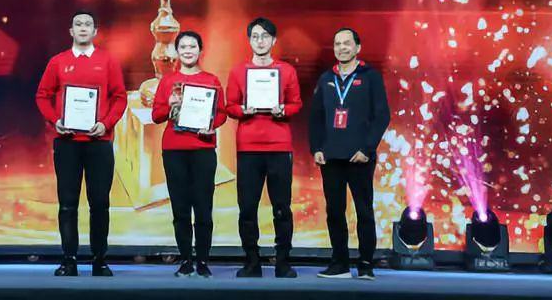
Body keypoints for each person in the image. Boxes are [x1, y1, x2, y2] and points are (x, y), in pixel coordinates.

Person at [36, 11, 127, 277]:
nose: (83, 28)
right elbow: (42, 95)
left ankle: (100, 260)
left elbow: (120, 97)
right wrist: (55, 121)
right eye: (78, 24)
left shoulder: (108, 61)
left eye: (88, 24)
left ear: (95, 31)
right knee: (67, 204)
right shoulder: (58, 62)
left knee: (99, 204)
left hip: (99, 142)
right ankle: (69, 260)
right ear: (71, 31)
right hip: (67, 143)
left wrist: (106, 123)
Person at [309, 27, 390, 280]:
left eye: (346, 43)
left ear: (357, 48)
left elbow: (382, 116)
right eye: (337, 44)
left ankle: (365, 264)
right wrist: (317, 148)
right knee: (334, 212)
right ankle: (340, 264)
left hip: (360, 157)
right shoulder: (326, 79)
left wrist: (367, 149)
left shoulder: (370, 77)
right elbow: (315, 117)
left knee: (364, 212)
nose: (341, 48)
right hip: (331, 157)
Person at [226, 18, 302, 278]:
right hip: (248, 148)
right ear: (249, 40)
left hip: (279, 146)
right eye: (255, 36)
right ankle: (252, 262)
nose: (260, 41)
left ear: (274, 40)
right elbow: (230, 106)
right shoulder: (238, 71)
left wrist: (284, 110)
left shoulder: (286, 71)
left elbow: (296, 104)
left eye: (265, 36)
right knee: (247, 208)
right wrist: (242, 110)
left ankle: (283, 262)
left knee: (282, 208)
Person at [152, 31, 227, 278]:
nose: (187, 51)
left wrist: (212, 125)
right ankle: (185, 260)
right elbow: (156, 116)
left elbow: (221, 112)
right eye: (183, 46)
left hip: (203, 149)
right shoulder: (168, 81)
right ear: (177, 51)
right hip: (174, 150)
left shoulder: (211, 80)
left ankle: (203, 261)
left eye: (192, 46)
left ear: (200, 51)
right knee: (181, 209)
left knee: (203, 208)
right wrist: (170, 105)